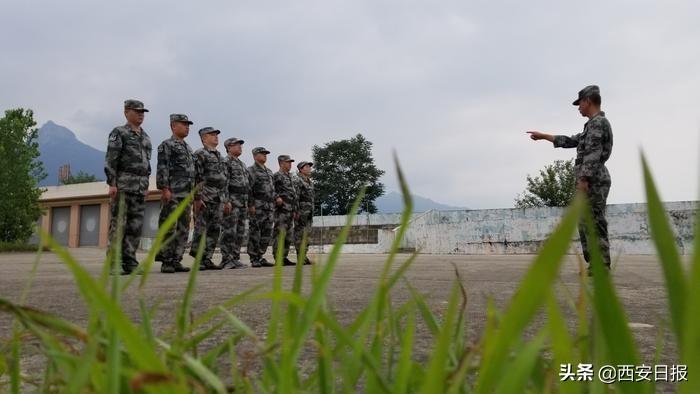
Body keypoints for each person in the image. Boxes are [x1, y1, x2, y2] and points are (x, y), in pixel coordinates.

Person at [527, 85, 613, 274]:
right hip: (591, 179)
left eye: (579, 103)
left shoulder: (598, 123)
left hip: (594, 181)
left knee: (595, 221)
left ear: (587, 101)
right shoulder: (592, 124)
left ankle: (602, 265)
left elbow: (593, 153)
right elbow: (571, 141)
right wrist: (544, 136)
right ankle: (595, 263)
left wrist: (584, 179)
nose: (578, 107)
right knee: (585, 221)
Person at [104, 99, 152, 275]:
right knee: (119, 225)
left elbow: (147, 165)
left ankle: (130, 261)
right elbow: (111, 159)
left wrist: (145, 185)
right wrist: (112, 183)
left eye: (143, 112)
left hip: (139, 188)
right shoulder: (119, 132)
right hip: (123, 186)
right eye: (137, 111)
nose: (141, 114)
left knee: (135, 227)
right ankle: (114, 262)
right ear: (126, 112)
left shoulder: (145, 137)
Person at [155, 114, 195, 274]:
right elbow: (162, 167)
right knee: (169, 227)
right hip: (172, 193)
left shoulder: (188, 148)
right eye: (184, 124)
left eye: (188, 125)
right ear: (173, 126)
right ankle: (166, 261)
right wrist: (164, 188)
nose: (187, 127)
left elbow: (192, 173)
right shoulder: (167, 145)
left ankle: (176, 259)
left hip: (186, 194)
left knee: (183, 228)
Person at [190, 127, 228, 270]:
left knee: (214, 229)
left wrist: (225, 199)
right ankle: (199, 259)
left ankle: (207, 258)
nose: (216, 137)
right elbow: (197, 177)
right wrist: (198, 198)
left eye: (217, 134)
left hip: (218, 197)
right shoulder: (200, 154)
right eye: (212, 135)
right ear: (204, 138)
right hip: (205, 196)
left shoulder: (220, 156)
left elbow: (224, 180)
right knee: (201, 228)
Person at [219, 137, 249, 269]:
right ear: (229, 147)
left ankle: (235, 258)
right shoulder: (225, 162)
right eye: (237, 145)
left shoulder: (242, 164)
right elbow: (223, 183)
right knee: (229, 231)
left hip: (242, 202)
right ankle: (226, 259)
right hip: (232, 201)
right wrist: (226, 201)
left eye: (240, 145)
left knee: (240, 232)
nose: (240, 147)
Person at [247, 147, 276, 267]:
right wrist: (251, 204)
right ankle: (254, 258)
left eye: (265, 154)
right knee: (255, 232)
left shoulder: (269, 171)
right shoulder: (251, 170)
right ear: (255, 155)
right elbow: (249, 189)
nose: (265, 156)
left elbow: (272, 189)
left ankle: (260, 255)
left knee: (267, 233)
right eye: (262, 154)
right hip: (257, 206)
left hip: (269, 207)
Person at [272, 155, 298, 266]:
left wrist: (295, 209)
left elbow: (293, 194)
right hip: (281, 211)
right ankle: (278, 257)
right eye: (288, 162)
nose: (290, 164)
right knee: (280, 234)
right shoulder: (277, 176)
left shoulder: (290, 177)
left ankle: (284, 256)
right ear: (281, 163)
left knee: (288, 235)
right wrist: (277, 197)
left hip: (290, 210)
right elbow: (272, 189)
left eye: (290, 162)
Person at [293, 161, 314, 265]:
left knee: (307, 236)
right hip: (301, 213)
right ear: (301, 169)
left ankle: (304, 256)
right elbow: (295, 197)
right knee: (299, 235)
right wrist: (296, 211)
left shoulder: (309, 181)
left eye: (309, 167)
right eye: (307, 167)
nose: (309, 168)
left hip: (309, 213)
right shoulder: (297, 180)